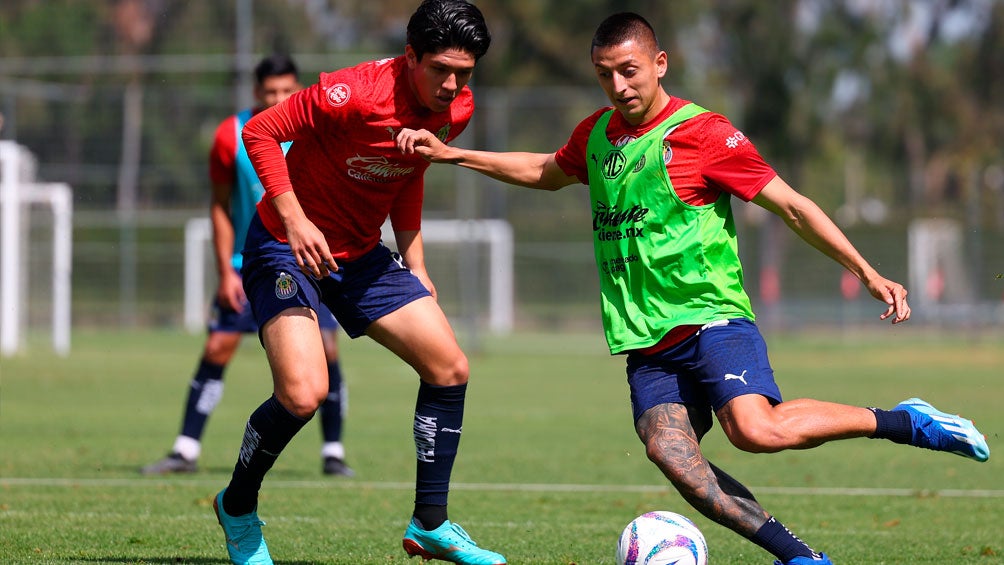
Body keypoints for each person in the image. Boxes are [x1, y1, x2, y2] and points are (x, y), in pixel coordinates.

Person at [395, 12, 990, 565]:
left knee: (754, 429)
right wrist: (453, 154)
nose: (619, 85)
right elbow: (546, 171)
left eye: (629, 70)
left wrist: (867, 270)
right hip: (646, 339)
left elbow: (792, 206)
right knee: (673, 457)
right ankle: (802, 556)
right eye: (605, 75)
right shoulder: (597, 135)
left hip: (711, 317)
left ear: (660, 63)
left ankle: (901, 421)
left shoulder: (701, 133)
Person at [210, 2, 505, 564]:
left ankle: (430, 524)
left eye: (464, 74)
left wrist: (416, 263)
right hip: (285, 247)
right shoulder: (354, 93)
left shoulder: (456, 107)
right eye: (440, 68)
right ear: (410, 55)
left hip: (362, 254)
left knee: (449, 368)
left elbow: (408, 172)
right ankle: (238, 505)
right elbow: (263, 131)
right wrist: (294, 219)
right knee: (303, 394)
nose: (451, 85)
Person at [141, 54, 355, 479]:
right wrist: (224, 269)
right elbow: (219, 206)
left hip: (309, 259)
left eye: (287, 91)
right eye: (270, 92)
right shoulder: (230, 135)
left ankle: (333, 451)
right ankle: (185, 449)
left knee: (327, 350)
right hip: (249, 261)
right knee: (218, 346)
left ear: (298, 88)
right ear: (257, 92)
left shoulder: (317, 126)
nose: (279, 98)